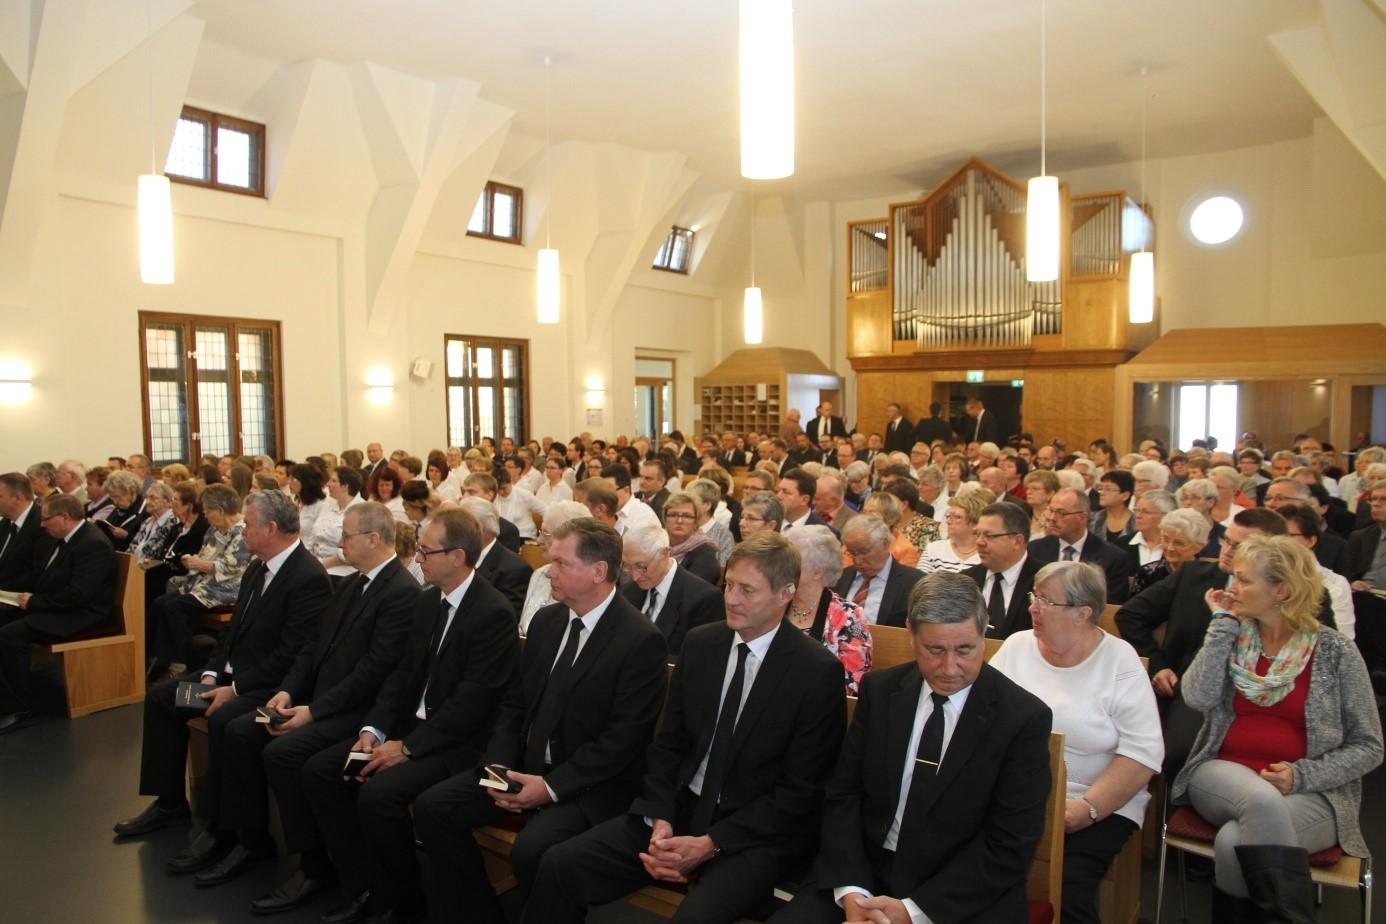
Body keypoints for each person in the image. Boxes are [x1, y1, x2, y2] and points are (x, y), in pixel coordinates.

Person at [522, 532, 847, 924]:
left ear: (785, 594)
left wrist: (711, 843)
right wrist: (660, 817)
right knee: (561, 865)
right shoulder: (702, 644)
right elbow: (668, 746)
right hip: (680, 809)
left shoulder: (816, 672)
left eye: (747, 590)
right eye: (729, 585)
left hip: (751, 833)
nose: (731, 599)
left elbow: (799, 793)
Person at [414, 518, 669, 924]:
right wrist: (498, 763)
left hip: (587, 783)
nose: (549, 571)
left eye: (561, 563)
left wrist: (549, 788)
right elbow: (515, 703)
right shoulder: (547, 621)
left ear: (598, 572)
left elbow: (622, 741)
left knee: (533, 850)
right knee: (435, 807)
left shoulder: (640, 640)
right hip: (526, 765)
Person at [769, 571, 1051, 924]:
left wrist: (911, 911)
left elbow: (1009, 844)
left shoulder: (1022, 718)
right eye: (935, 650)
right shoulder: (882, 691)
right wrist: (852, 889)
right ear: (911, 635)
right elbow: (844, 795)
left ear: (983, 636)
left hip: (961, 891)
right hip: (866, 872)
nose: (950, 668)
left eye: (965, 649)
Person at [299, 508, 520, 924]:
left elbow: (472, 704)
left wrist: (408, 748)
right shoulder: (427, 600)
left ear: (457, 557)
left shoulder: (493, 612)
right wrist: (375, 729)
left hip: (456, 742)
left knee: (380, 795)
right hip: (412, 728)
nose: (418, 559)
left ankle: (403, 901)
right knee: (323, 771)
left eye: (426, 551)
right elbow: (402, 676)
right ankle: (362, 883)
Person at [203, 503, 421, 903]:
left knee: (284, 754)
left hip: (360, 711)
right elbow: (312, 647)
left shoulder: (402, 592)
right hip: (323, 699)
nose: (340, 544)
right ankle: (244, 838)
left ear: (374, 539)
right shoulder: (351, 584)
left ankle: (316, 865)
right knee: (243, 731)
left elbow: (372, 673)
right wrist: (289, 691)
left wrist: (313, 712)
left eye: (347, 536)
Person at [1173, 536, 1383, 921]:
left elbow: (1369, 746)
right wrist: (1221, 625)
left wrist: (1301, 775)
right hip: (1220, 775)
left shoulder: (1335, 651)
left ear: (1281, 591)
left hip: (1312, 791)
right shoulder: (1231, 636)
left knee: (1233, 841)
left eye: (1243, 580)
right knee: (1262, 802)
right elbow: (1197, 697)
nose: (1231, 587)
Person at [114, 490, 332, 843]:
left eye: (249, 524)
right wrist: (212, 673)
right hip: (227, 681)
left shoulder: (308, 577)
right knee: (162, 699)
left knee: (226, 721)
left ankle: (229, 831)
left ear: (271, 528)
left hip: (265, 691)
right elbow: (231, 631)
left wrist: (234, 689)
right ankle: (169, 804)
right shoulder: (258, 567)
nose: (243, 530)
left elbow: (291, 654)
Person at [991, 562, 1163, 923]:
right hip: (1015, 794)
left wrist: (1088, 808)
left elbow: (1142, 754)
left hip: (1093, 801)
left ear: (1082, 613)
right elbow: (982, 716)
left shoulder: (1119, 661)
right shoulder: (1017, 646)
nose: (1033, 608)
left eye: (1046, 601)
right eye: (1034, 597)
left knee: (1067, 889)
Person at [1116, 507, 1332, 779]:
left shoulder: (1305, 595)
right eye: (1226, 541)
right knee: (1179, 752)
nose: (1228, 551)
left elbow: (1320, 655)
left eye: (1239, 546)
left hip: (1272, 696)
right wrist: (1158, 665)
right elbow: (1130, 615)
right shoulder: (1193, 575)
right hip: (1192, 692)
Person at [0, 493, 116, 733]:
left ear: (65, 517)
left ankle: (19, 707)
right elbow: (44, 576)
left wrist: (34, 602)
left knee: (9, 636)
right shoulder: (61, 537)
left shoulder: (93, 544)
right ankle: (6, 693)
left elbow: (79, 595)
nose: (41, 525)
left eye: (46, 519)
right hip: (60, 605)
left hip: (83, 614)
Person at [145, 484, 252, 678]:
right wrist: (193, 561)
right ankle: (155, 657)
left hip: (227, 588)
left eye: (208, 511)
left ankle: (178, 665)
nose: (205, 515)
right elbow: (205, 555)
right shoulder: (214, 529)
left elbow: (232, 567)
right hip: (204, 582)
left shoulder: (243, 532)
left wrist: (199, 563)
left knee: (175, 608)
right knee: (159, 603)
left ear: (220, 510)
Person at [784, 525, 873, 693]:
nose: (782, 569)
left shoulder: (849, 616)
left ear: (818, 572)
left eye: (792, 563)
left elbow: (851, 684)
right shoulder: (775, 604)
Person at [620, 524, 723, 658]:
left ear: (665, 553)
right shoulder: (627, 592)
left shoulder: (705, 599)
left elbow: (700, 658)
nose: (634, 576)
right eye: (627, 567)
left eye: (642, 566)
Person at [1029, 487, 1132, 604]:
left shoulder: (1113, 557)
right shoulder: (1034, 550)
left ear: (1083, 517)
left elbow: (1110, 606)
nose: (1052, 518)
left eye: (1061, 513)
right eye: (1051, 511)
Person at [966, 502, 1039, 638]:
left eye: (989, 535)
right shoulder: (966, 580)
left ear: (1017, 541)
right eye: (977, 534)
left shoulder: (1043, 580)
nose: (979, 542)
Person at [835, 515, 924, 627]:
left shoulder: (914, 583)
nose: (857, 560)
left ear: (885, 544)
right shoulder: (840, 578)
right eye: (852, 553)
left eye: (863, 552)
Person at [519, 500, 591, 632]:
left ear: (572, 539)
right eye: (540, 532)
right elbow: (523, 627)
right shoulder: (539, 574)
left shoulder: (585, 585)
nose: (539, 540)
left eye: (546, 534)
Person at [459, 496, 533, 617]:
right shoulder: (456, 557)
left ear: (481, 529)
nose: (454, 530)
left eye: (461, 524)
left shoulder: (515, 569)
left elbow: (505, 618)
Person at [918, 488, 991, 575]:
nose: (948, 521)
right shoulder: (933, 549)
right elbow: (920, 581)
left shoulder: (987, 554)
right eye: (948, 516)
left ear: (975, 524)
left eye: (957, 517)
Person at [0, 472, 51, 592]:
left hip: (16, 594)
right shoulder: (6, 521)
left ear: (18, 498)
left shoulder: (43, 525)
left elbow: (35, 573)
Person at [659, 490, 721, 587]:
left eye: (687, 516)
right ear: (665, 519)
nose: (679, 521)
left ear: (696, 521)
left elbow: (694, 589)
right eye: (673, 515)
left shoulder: (705, 553)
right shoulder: (657, 545)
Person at [1125, 490, 1178, 596]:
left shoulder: (1176, 548)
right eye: (1136, 510)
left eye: (1146, 512)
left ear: (1166, 516)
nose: (1138, 515)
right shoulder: (1122, 544)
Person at [1091, 470, 1136, 544]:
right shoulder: (1092, 519)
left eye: (1108, 489)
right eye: (1100, 489)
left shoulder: (1137, 523)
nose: (1102, 493)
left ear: (1125, 496)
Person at [289, 462, 330, 537]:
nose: (289, 482)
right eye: (289, 478)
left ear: (305, 481)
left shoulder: (321, 506)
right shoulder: (296, 502)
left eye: (293, 479)